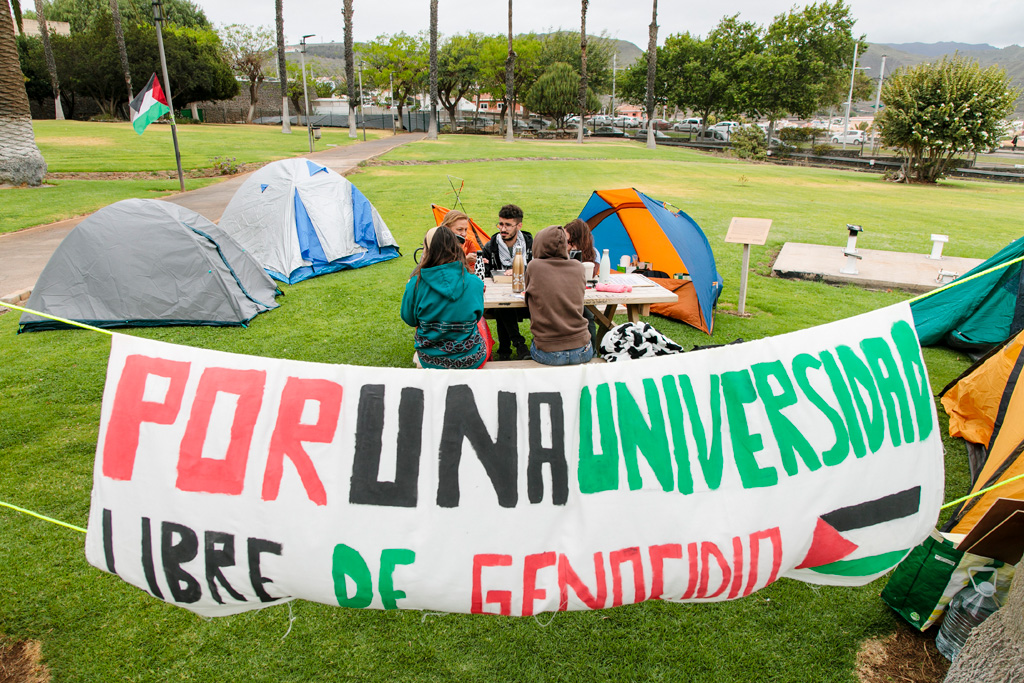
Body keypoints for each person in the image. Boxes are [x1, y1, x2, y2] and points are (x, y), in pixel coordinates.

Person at [401, 227, 489, 369]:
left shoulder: (415, 283)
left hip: (430, 359)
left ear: (427, 250)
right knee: (481, 326)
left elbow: (409, 319)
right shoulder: (475, 282)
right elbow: (477, 317)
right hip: (471, 359)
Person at [524, 225, 594, 366]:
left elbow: (528, 298)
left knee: (530, 349)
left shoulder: (534, 267)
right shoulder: (578, 267)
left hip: (549, 352)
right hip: (582, 349)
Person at [480, 204, 533, 360]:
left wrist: (521, 270)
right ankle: (519, 345)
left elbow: (539, 267)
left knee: (503, 307)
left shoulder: (530, 244)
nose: (503, 229)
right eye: (501, 224)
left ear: (519, 225)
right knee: (502, 305)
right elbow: (486, 273)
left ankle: (505, 350)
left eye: (508, 225)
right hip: (499, 298)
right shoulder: (491, 245)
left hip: (526, 299)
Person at [563, 218, 599, 348]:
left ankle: (593, 349)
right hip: (563, 295)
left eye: (567, 241)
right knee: (585, 313)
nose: (564, 244)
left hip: (584, 295)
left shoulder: (594, 253)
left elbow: (590, 276)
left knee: (586, 313)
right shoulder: (560, 252)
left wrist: (575, 255)